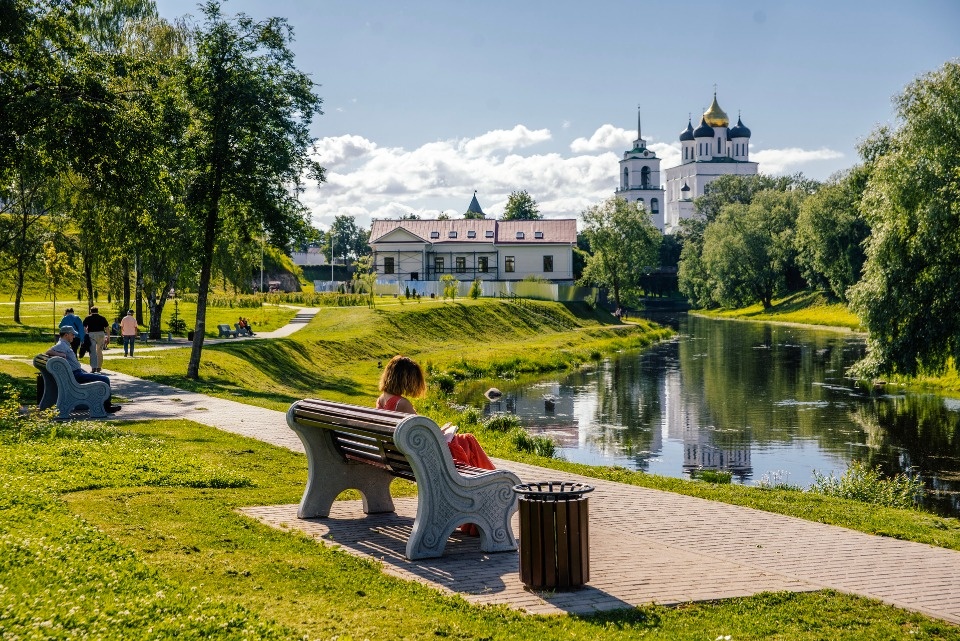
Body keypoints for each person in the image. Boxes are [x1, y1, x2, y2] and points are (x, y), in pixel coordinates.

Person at [376, 355, 494, 470]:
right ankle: (491, 477)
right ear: (404, 379)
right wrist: (438, 432)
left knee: (464, 441)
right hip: (418, 455)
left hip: (398, 453)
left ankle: (487, 476)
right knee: (468, 440)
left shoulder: (381, 399)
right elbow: (422, 434)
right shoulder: (401, 403)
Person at [46, 325, 121, 413]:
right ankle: (107, 406)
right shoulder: (62, 344)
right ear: (66, 335)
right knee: (105, 379)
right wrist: (61, 355)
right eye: (72, 334)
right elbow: (48, 352)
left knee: (101, 377)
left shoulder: (64, 344)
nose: (74, 336)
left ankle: (106, 405)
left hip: (76, 374)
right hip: (76, 376)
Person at [82, 306, 110, 372]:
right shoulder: (102, 318)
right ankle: (99, 367)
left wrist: (85, 334)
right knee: (99, 351)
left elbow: (84, 328)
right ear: (97, 311)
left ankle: (93, 367)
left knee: (92, 351)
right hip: (101, 334)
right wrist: (108, 337)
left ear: (91, 311)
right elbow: (107, 328)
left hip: (91, 334)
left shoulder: (88, 318)